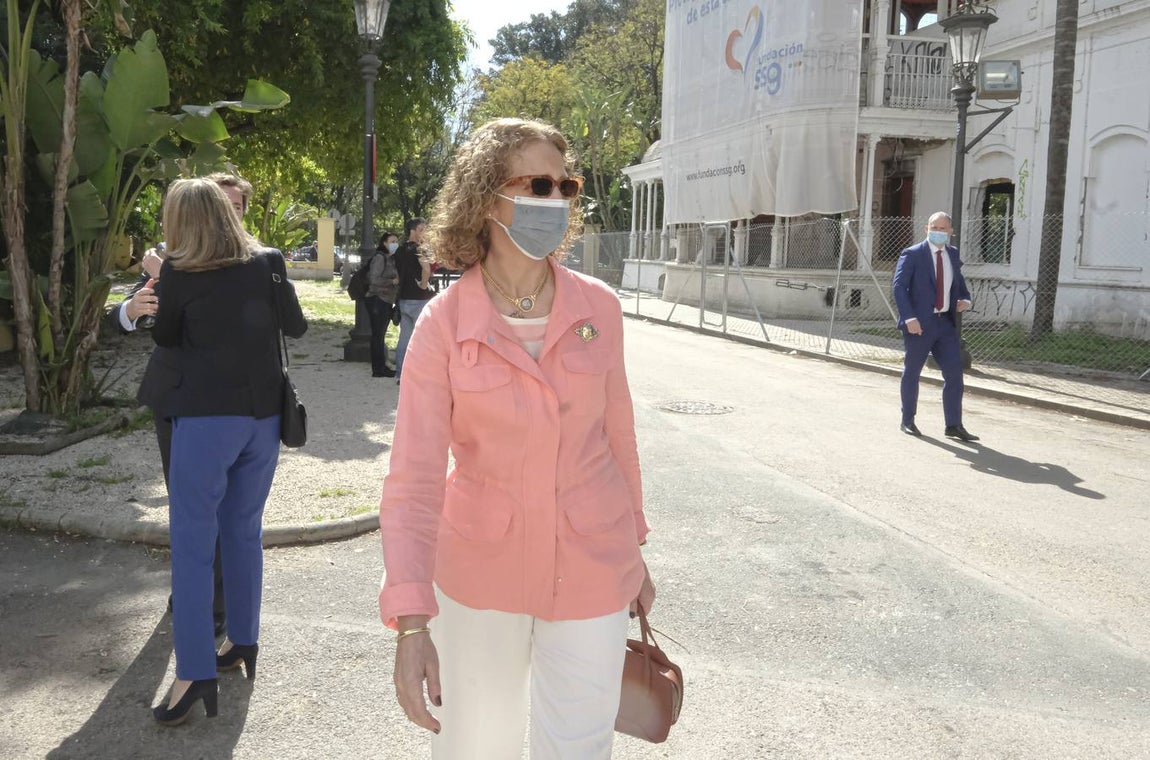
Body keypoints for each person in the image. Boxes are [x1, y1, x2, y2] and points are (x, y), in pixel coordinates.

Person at [378, 117, 655, 759]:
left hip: (593, 567)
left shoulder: (600, 309)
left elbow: (619, 438)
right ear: (485, 197)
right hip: (479, 578)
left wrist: (633, 549)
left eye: (566, 185)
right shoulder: (445, 326)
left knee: (579, 750)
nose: (555, 199)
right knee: (477, 747)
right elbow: (415, 479)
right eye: (538, 183)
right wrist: (411, 621)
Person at [147, 178, 307, 726]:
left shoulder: (178, 271)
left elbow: (165, 337)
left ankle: (194, 673)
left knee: (193, 544)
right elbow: (298, 327)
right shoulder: (269, 261)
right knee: (243, 532)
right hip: (261, 420)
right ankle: (244, 641)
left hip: (204, 419)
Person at [117, 171, 254, 637]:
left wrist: (166, 275)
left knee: (227, 509)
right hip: (173, 396)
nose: (230, 215)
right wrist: (130, 311)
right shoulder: (169, 254)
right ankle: (194, 591)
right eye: (224, 205)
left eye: (238, 208)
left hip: (230, 403)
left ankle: (218, 604)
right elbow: (130, 308)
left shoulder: (252, 260)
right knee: (188, 505)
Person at [892, 211, 979, 442]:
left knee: (954, 374)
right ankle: (907, 420)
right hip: (919, 324)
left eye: (942, 229)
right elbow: (899, 287)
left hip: (945, 324)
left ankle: (953, 425)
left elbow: (958, 284)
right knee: (912, 372)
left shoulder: (952, 254)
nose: (937, 232)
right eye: (933, 227)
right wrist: (910, 319)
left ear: (950, 232)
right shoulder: (912, 254)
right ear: (926, 229)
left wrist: (965, 299)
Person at [393, 217, 434, 381]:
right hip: (419, 299)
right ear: (414, 231)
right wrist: (424, 285)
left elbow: (397, 274)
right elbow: (426, 268)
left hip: (403, 299)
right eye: (422, 229)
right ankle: (419, 374)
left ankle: (400, 373)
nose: (425, 233)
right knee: (423, 338)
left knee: (404, 338)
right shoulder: (419, 249)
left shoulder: (399, 250)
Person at [365, 232, 400, 378]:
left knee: (380, 335)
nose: (395, 244)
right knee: (377, 336)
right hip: (377, 299)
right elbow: (374, 279)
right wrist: (391, 282)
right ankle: (378, 369)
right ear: (384, 243)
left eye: (396, 241)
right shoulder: (380, 258)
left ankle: (381, 366)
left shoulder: (390, 258)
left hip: (385, 300)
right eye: (392, 241)